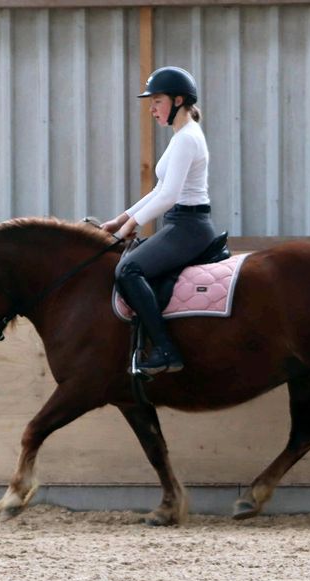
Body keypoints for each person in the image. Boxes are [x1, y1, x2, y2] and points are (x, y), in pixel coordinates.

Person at [101, 66, 215, 376]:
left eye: (157, 101)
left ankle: (166, 350)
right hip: (182, 224)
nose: (151, 109)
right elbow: (159, 190)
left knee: (128, 269)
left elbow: (169, 197)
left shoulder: (187, 138)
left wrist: (129, 227)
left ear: (179, 100)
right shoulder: (182, 136)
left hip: (188, 227)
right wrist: (119, 220)